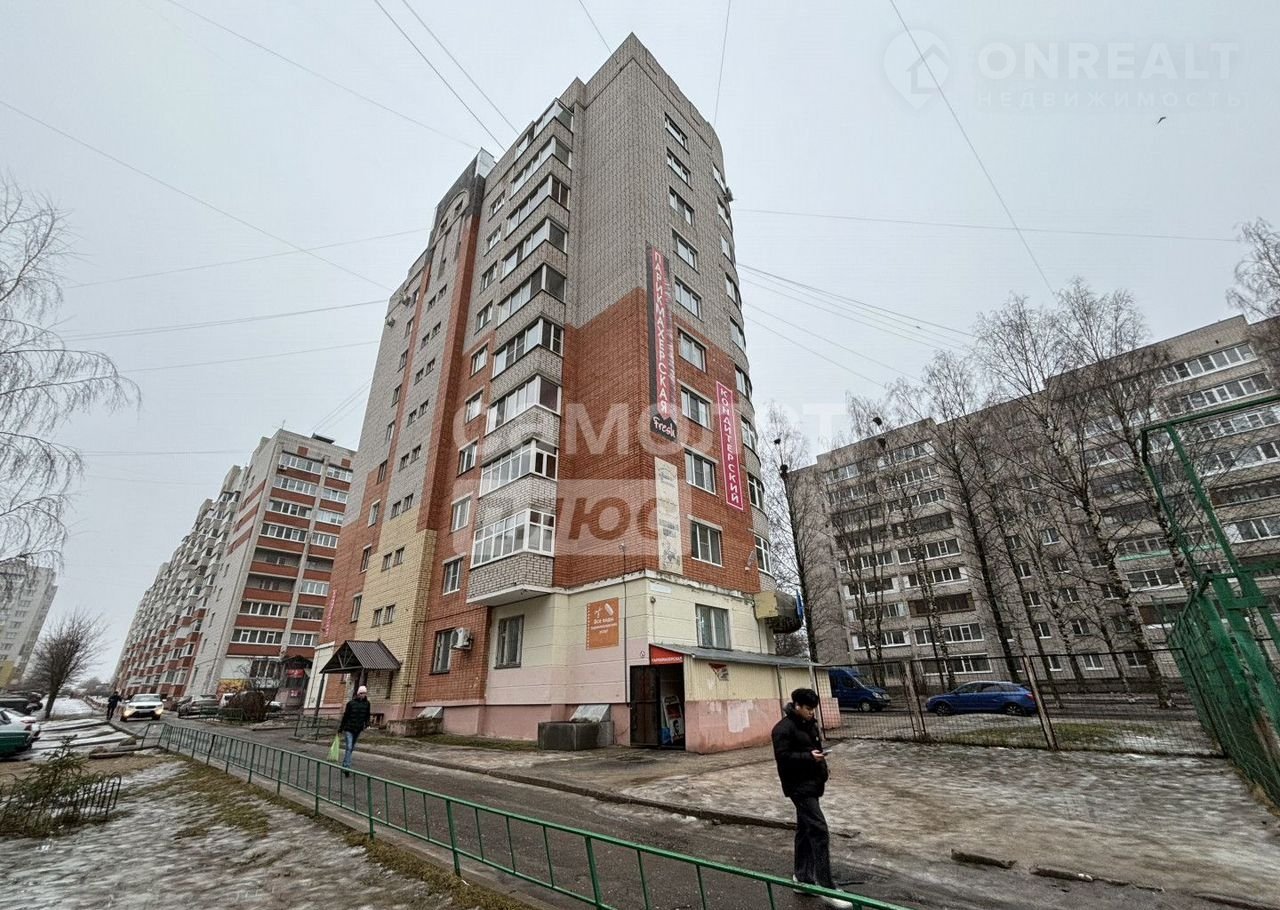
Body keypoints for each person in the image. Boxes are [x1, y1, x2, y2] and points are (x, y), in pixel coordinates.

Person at [771, 688, 852, 910]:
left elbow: (815, 748)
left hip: (813, 784)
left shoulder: (809, 725)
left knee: (806, 830)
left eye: (813, 709)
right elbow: (783, 758)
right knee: (819, 830)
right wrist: (809, 757)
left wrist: (821, 767)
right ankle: (826, 887)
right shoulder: (782, 729)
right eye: (808, 708)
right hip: (798, 787)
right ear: (797, 706)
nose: (811, 712)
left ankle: (802, 877)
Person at [338, 685, 371, 777]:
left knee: (351, 748)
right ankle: (347, 768)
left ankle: (344, 764)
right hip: (349, 728)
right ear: (358, 693)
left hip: (358, 728)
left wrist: (367, 723)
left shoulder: (367, 704)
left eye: (365, 693)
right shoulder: (351, 703)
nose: (363, 695)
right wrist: (341, 728)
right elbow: (345, 716)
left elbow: (367, 715)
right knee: (349, 747)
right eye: (362, 693)